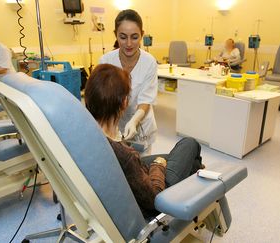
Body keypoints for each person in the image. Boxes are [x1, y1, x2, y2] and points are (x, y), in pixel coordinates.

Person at [85, 63, 203, 217]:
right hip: (155, 199)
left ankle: (192, 169)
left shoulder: (86, 132)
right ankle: (195, 178)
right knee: (190, 144)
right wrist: (158, 165)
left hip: (127, 181)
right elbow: (154, 200)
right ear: (124, 102)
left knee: (186, 159)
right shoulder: (126, 155)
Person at [99, 9, 158, 156]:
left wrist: (134, 121)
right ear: (116, 35)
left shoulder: (149, 62)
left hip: (142, 123)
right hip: (114, 126)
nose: (129, 43)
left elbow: (146, 99)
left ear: (142, 35)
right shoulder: (106, 61)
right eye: (123, 37)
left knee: (142, 166)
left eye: (135, 37)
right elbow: (101, 98)